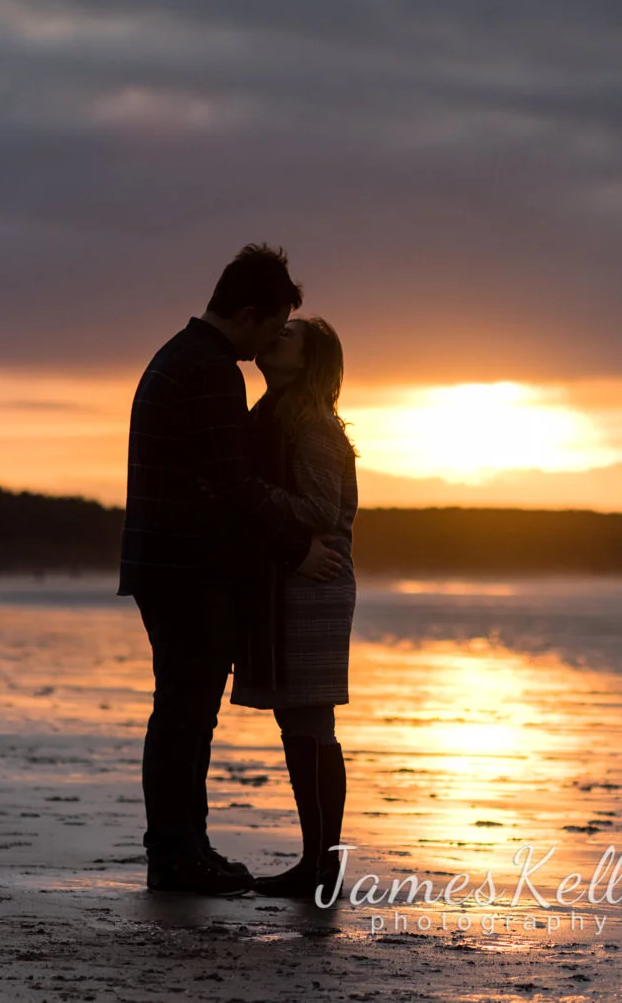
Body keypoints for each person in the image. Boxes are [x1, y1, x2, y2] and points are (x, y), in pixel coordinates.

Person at [118, 244, 344, 895]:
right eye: (274, 324)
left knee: (188, 712)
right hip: (187, 569)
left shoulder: (181, 357)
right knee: (184, 713)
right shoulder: (213, 371)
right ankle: (174, 853)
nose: (275, 336)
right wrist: (296, 548)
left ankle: (189, 845)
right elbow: (231, 483)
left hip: (166, 564)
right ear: (248, 313)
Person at [230, 316, 358, 900]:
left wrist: (247, 492)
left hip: (315, 585)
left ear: (307, 363)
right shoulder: (279, 416)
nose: (273, 339)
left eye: (287, 338)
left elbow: (319, 511)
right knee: (301, 724)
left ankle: (321, 868)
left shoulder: (311, 427)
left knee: (310, 724)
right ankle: (316, 863)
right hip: (294, 582)